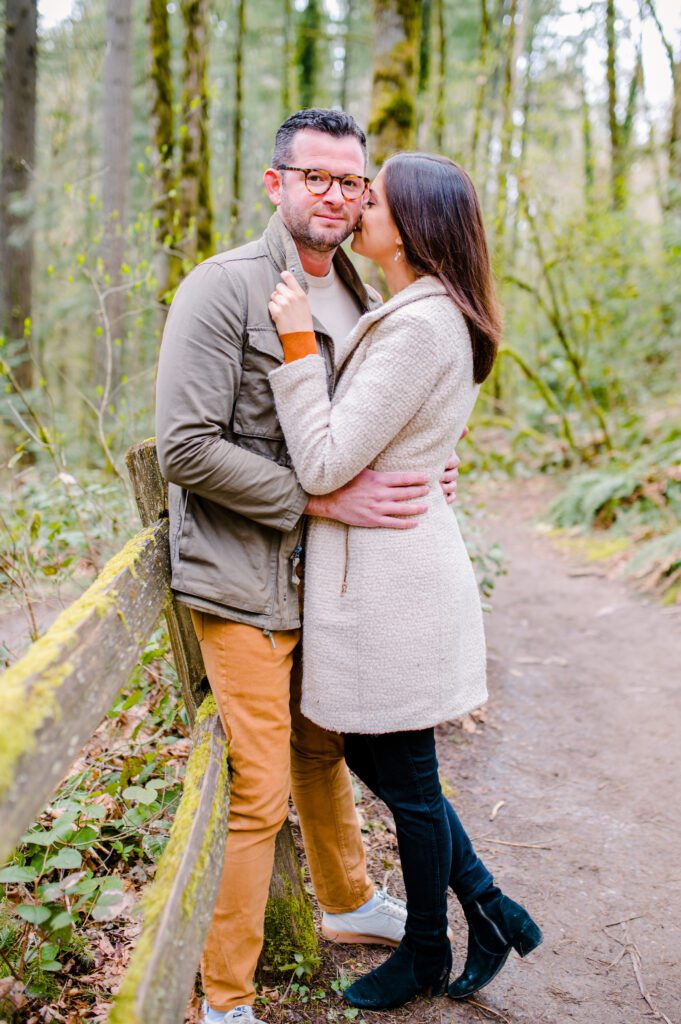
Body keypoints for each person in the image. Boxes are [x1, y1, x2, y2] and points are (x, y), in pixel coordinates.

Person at [155, 110, 462, 1024]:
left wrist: (425, 461)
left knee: (323, 750)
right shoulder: (225, 290)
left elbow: (370, 422)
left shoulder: (368, 296)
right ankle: (226, 999)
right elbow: (184, 447)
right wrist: (315, 499)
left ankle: (347, 900)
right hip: (243, 577)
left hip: (329, 582)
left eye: (350, 182)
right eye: (315, 177)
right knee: (260, 787)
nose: (334, 195)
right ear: (274, 182)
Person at [266, 152, 543, 1011]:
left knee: (408, 776)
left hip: (391, 582)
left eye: (372, 199)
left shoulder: (419, 324)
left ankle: (430, 949)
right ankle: (489, 908)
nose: (355, 210)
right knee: (378, 755)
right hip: (390, 572)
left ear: (412, 225)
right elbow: (403, 429)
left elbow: (321, 462)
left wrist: (297, 346)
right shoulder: (420, 313)